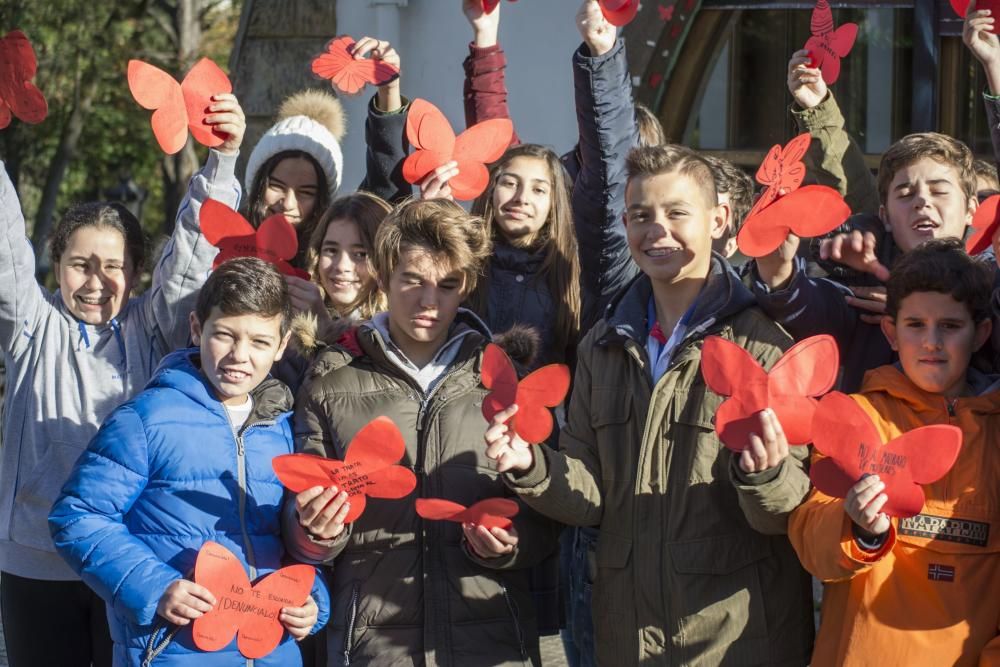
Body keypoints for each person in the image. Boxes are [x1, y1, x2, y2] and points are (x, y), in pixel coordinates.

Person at [484, 145, 814, 665]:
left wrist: (768, 476)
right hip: (628, 637)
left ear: (719, 220)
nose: (656, 230)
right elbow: (591, 493)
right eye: (641, 216)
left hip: (736, 641)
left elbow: (792, 512)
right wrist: (531, 465)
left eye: (676, 212)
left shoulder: (765, 345)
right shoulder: (602, 345)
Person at [0, 93, 245, 667]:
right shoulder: (30, 327)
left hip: (131, 560)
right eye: (80, 264)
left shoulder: (152, 330)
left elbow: (190, 254)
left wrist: (224, 161)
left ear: (135, 274)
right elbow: (5, 249)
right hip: (34, 559)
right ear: (55, 266)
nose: (95, 281)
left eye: (113, 266)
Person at [286, 198, 561, 666]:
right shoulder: (330, 383)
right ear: (384, 274)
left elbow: (548, 517)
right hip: (372, 646)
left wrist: (512, 545)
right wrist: (315, 531)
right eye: (413, 280)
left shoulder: (503, 378)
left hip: (490, 642)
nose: (429, 301)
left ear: (467, 285)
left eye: (448, 284)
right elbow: (297, 530)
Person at [49, 257, 331, 667]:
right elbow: (76, 516)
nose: (239, 355)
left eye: (259, 341)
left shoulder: (286, 430)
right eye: (225, 335)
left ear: (282, 345)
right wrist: (155, 587)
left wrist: (312, 598)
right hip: (172, 652)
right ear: (197, 328)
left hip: (271, 651)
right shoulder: (145, 419)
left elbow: (295, 542)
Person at [789, 238, 1000, 666]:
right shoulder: (855, 415)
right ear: (890, 331)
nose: (932, 342)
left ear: (981, 334)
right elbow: (809, 537)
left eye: (950, 326)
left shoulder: (996, 435)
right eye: (915, 325)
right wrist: (857, 526)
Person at [751, 131, 980, 392]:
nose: (922, 201)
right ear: (885, 216)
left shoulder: (991, 280)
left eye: (939, 191)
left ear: (971, 210)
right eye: (905, 194)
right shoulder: (861, 280)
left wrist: (912, 309)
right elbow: (811, 305)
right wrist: (777, 268)